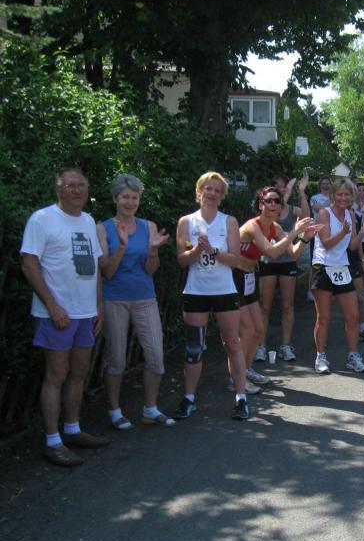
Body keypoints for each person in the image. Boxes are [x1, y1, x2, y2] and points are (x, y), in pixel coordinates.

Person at [20, 168, 110, 466]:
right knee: (56, 375)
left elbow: (95, 267)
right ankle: (52, 441)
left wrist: (99, 305)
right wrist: (53, 307)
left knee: (79, 373)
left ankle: (72, 430)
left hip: (85, 312)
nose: (77, 190)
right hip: (56, 314)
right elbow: (29, 264)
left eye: (81, 185)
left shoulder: (87, 221)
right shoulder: (42, 219)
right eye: (70, 185)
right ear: (58, 189)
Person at [96, 174, 174, 430]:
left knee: (155, 356)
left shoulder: (148, 226)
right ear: (115, 199)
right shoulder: (102, 228)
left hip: (145, 297)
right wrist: (121, 246)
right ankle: (114, 410)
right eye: (125, 197)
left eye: (134, 197)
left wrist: (153, 250)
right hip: (114, 299)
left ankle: (150, 408)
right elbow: (107, 272)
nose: (130, 202)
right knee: (116, 359)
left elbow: (151, 269)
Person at [172, 172, 251, 421]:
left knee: (232, 343)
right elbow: (182, 260)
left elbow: (236, 260)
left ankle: (241, 397)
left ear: (222, 196)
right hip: (196, 291)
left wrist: (214, 250)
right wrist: (197, 249)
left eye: (217, 190)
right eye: (208, 189)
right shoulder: (186, 222)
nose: (212, 194)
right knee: (194, 347)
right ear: (199, 192)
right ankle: (189, 398)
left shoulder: (229, 221)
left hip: (224, 291)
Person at [310, 180, 364, 374]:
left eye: (347, 195)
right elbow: (326, 243)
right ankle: (320, 357)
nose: (343, 198)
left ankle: (353, 356)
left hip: (342, 268)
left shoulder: (351, 215)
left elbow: (352, 246)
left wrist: (363, 232)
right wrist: (343, 232)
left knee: (353, 316)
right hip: (323, 268)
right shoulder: (324, 214)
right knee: (324, 317)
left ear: (352, 197)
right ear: (333, 195)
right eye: (339, 194)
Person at [254, 173, 311, 363]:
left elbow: (306, 218)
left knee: (287, 305)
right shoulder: (265, 211)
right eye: (276, 186)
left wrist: (301, 192)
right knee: (265, 305)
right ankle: (261, 346)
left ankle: (285, 345)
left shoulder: (291, 210)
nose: (280, 189)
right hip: (268, 262)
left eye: (283, 186)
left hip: (287, 262)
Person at [306, 176, 332, 302]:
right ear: (320, 185)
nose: (326, 186)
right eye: (323, 184)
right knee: (315, 262)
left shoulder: (336, 198)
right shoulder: (314, 198)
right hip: (317, 233)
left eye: (328, 184)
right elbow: (320, 209)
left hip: (332, 232)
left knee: (330, 261)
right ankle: (310, 290)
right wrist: (332, 198)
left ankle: (328, 288)